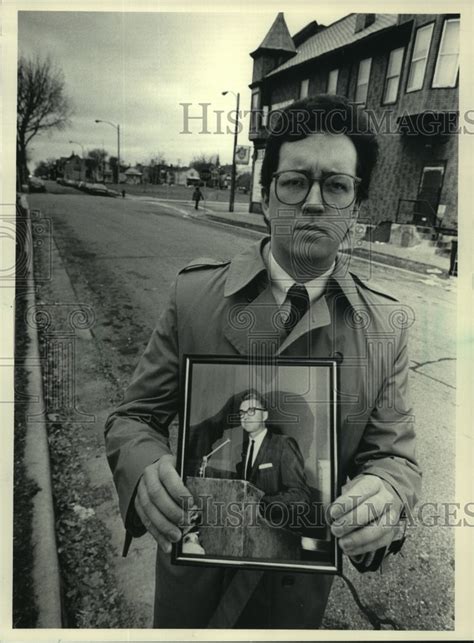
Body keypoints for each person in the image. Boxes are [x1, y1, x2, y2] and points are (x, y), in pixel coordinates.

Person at [105, 94, 421, 628]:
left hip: (294, 599)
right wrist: (143, 472)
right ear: (267, 193)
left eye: (337, 185)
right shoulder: (194, 297)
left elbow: (395, 457)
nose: (315, 202)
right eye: (296, 181)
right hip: (194, 588)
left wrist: (388, 496)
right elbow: (134, 417)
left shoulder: (387, 330)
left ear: (356, 206)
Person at [236, 389, 311, 529]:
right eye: (242, 413)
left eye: (251, 410)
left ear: (264, 415)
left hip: (276, 532)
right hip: (247, 532)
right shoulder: (242, 451)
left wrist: (261, 504)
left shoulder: (283, 444)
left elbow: (300, 496)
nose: (245, 416)